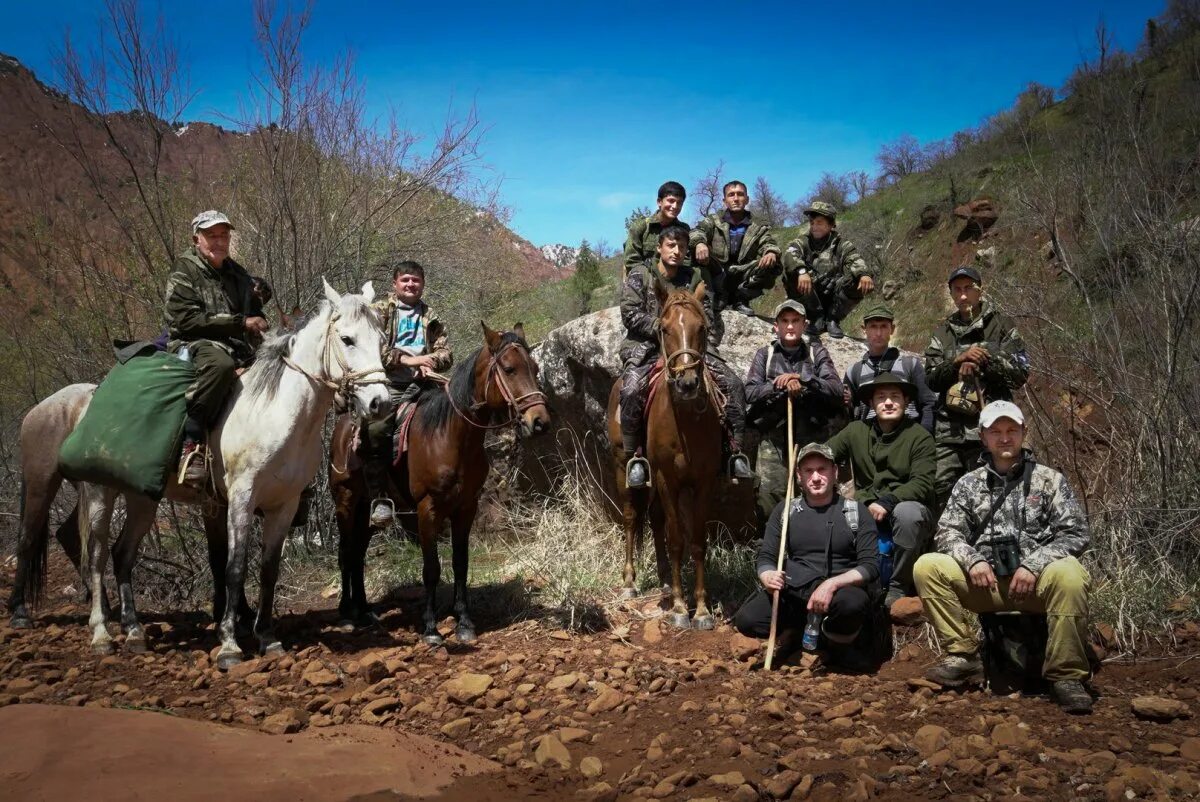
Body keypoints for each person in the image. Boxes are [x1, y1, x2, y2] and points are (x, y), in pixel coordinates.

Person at [913, 401, 1093, 713]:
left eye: (1011, 430)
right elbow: (947, 532)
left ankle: (1066, 677)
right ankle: (963, 656)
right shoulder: (968, 484)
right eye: (996, 431)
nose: (1004, 437)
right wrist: (973, 560)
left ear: (1024, 432)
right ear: (983, 437)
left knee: (1072, 574)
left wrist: (1034, 565)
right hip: (989, 587)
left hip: (1036, 587)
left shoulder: (1049, 480)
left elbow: (1076, 533)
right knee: (927, 566)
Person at [618, 225, 752, 488]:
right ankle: (634, 457)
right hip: (648, 346)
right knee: (631, 389)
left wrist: (695, 340)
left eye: (681, 246)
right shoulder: (641, 274)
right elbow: (630, 313)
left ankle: (734, 453)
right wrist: (662, 328)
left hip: (690, 347)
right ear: (659, 248)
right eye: (671, 245)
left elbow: (707, 315)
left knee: (734, 385)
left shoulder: (694, 278)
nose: (676, 251)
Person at [733, 443, 879, 659]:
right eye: (808, 471)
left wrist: (832, 584)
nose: (816, 477)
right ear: (799, 476)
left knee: (852, 605)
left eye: (822, 469)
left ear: (835, 472)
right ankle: (800, 630)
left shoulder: (856, 512)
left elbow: (870, 566)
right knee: (748, 619)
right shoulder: (785, 510)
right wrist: (767, 575)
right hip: (797, 591)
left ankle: (832, 641)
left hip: (840, 593)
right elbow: (766, 557)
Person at [165, 210, 269, 488]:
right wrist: (241, 322)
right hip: (193, 341)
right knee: (220, 366)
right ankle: (192, 444)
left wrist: (261, 298)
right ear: (196, 238)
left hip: (236, 344)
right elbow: (186, 320)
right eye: (211, 235)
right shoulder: (184, 270)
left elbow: (254, 308)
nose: (219, 241)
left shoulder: (236, 271)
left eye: (224, 235)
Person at [826, 373, 936, 609]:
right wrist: (809, 460)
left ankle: (898, 585)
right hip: (865, 504)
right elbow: (825, 454)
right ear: (872, 403)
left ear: (906, 401)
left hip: (905, 506)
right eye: (881, 397)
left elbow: (922, 483)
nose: (888, 402)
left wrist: (889, 501)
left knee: (908, 515)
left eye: (895, 396)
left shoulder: (920, 437)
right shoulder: (856, 430)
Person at [924, 266, 1030, 510]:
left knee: (992, 493)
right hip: (949, 433)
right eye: (957, 290)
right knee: (943, 492)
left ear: (980, 290)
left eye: (969, 288)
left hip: (992, 430)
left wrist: (985, 360)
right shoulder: (942, 333)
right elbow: (930, 378)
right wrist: (956, 362)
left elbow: (1021, 373)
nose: (963, 296)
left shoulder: (1002, 326)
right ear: (951, 294)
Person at [361, 260, 453, 528]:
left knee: (455, 420)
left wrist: (430, 362)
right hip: (387, 383)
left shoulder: (432, 316)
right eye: (406, 280)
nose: (411, 284)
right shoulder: (379, 312)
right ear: (395, 284)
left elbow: (446, 352)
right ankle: (379, 499)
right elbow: (371, 347)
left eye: (416, 280)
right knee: (377, 430)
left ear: (423, 285)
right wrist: (410, 361)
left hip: (426, 384)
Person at [744, 300, 842, 510]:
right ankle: (775, 541)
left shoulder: (817, 353)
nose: (790, 326)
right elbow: (750, 392)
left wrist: (803, 378)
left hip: (813, 436)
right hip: (775, 436)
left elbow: (835, 388)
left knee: (817, 491)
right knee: (770, 496)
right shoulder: (765, 354)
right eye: (785, 321)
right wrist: (779, 385)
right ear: (775, 326)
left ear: (804, 325)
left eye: (795, 321)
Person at [690, 180, 782, 325]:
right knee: (695, 256)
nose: (736, 198)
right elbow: (697, 231)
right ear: (724, 200)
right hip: (718, 273)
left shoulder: (758, 224)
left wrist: (770, 252)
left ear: (747, 199)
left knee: (773, 263)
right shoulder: (714, 220)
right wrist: (700, 243)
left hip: (743, 275)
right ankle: (717, 298)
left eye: (740, 194)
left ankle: (741, 299)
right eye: (731, 195)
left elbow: (769, 242)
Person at [780, 201, 875, 339]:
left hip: (834, 297)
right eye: (812, 223)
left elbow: (854, 258)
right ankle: (815, 317)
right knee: (791, 274)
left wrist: (864, 275)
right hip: (809, 296)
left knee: (857, 279)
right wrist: (802, 271)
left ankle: (832, 320)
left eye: (819, 222)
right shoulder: (803, 241)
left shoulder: (841, 244)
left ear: (831, 225)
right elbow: (790, 254)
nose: (814, 226)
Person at [843, 304, 936, 433]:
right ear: (864, 329)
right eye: (873, 327)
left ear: (892, 329)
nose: (878, 333)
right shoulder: (854, 371)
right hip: (870, 441)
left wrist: (924, 437)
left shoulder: (910, 365)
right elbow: (849, 411)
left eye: (884, 326)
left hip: (906, 437)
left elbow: (928, 404)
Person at [623, 181, 689, 275]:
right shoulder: (641, 226)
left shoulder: (684, 229)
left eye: (679, 203)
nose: (675, 206)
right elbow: (631, 260)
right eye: (671, 201)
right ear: (659, 202)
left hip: (674, 279)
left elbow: (686, 260)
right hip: (644, 279)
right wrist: (652, 278)